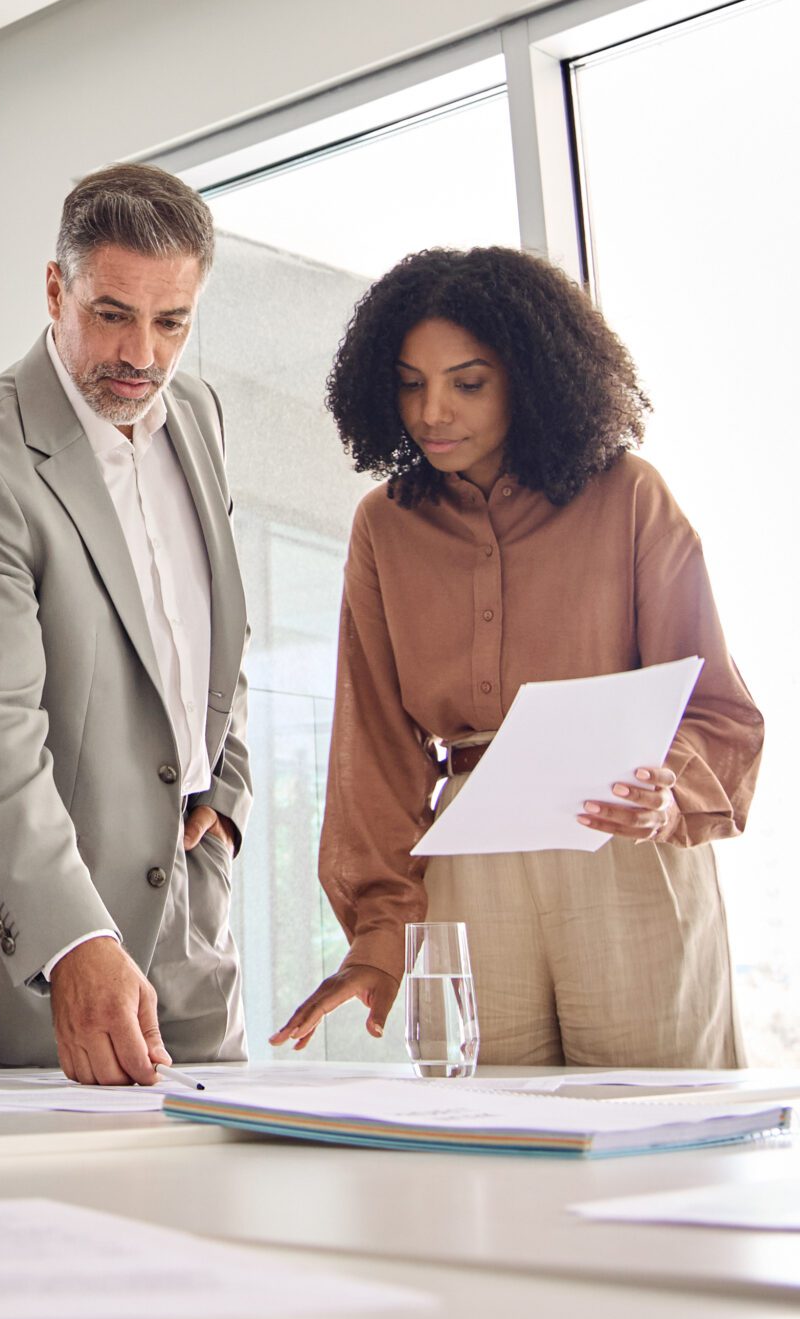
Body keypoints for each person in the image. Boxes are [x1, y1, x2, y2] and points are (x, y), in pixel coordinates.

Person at [274, 245, 763, 1069]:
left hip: (625, 846)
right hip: (469, 865)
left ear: (528, 378)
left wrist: (667, 796)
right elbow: (376, 756)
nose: (433, 411)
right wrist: (379, 933)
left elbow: (719, 708)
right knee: (482, 1141)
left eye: (467, 382)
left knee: (658, 1131)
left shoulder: (629, 496)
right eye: (409, 382)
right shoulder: (383, 528)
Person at [0, 162, 251, 1083]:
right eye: (111, 313)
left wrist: (226, 797)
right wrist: (73, 941)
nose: (142, 354)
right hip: (47, 985)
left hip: (194, 960)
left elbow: (213, 642)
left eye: (171, 322)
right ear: (55, 288)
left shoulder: (200, 419)